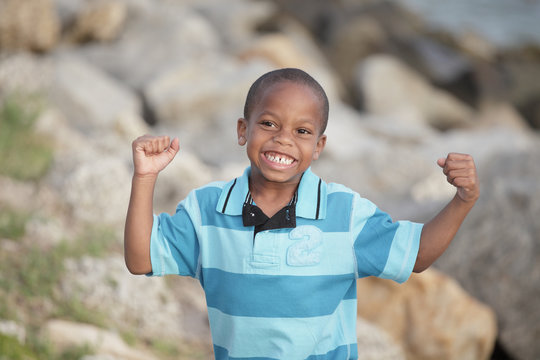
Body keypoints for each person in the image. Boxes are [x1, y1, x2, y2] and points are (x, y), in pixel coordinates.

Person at [124, 68, 479, 359]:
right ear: (242, 130)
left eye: (302, 131)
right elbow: (141, 258)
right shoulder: (207, 211)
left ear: (319, 146)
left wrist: (462, 200)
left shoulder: (345, 213)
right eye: (268, 124)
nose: (284, 139)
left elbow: (415, 254)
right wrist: (145, 177)